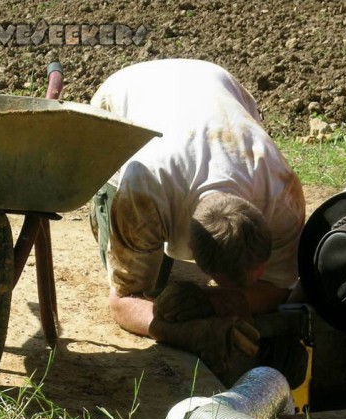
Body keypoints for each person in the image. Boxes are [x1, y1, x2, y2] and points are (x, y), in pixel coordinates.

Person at [89, 59, 305, 382]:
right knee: (157, 294)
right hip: (121, 103)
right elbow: (123, 300)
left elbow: (279, 287)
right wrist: (187, 333)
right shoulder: (143, 189)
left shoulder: (282, 193)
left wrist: (214, 301)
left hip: (215, 80)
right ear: (190, 249)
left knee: (179, 302)